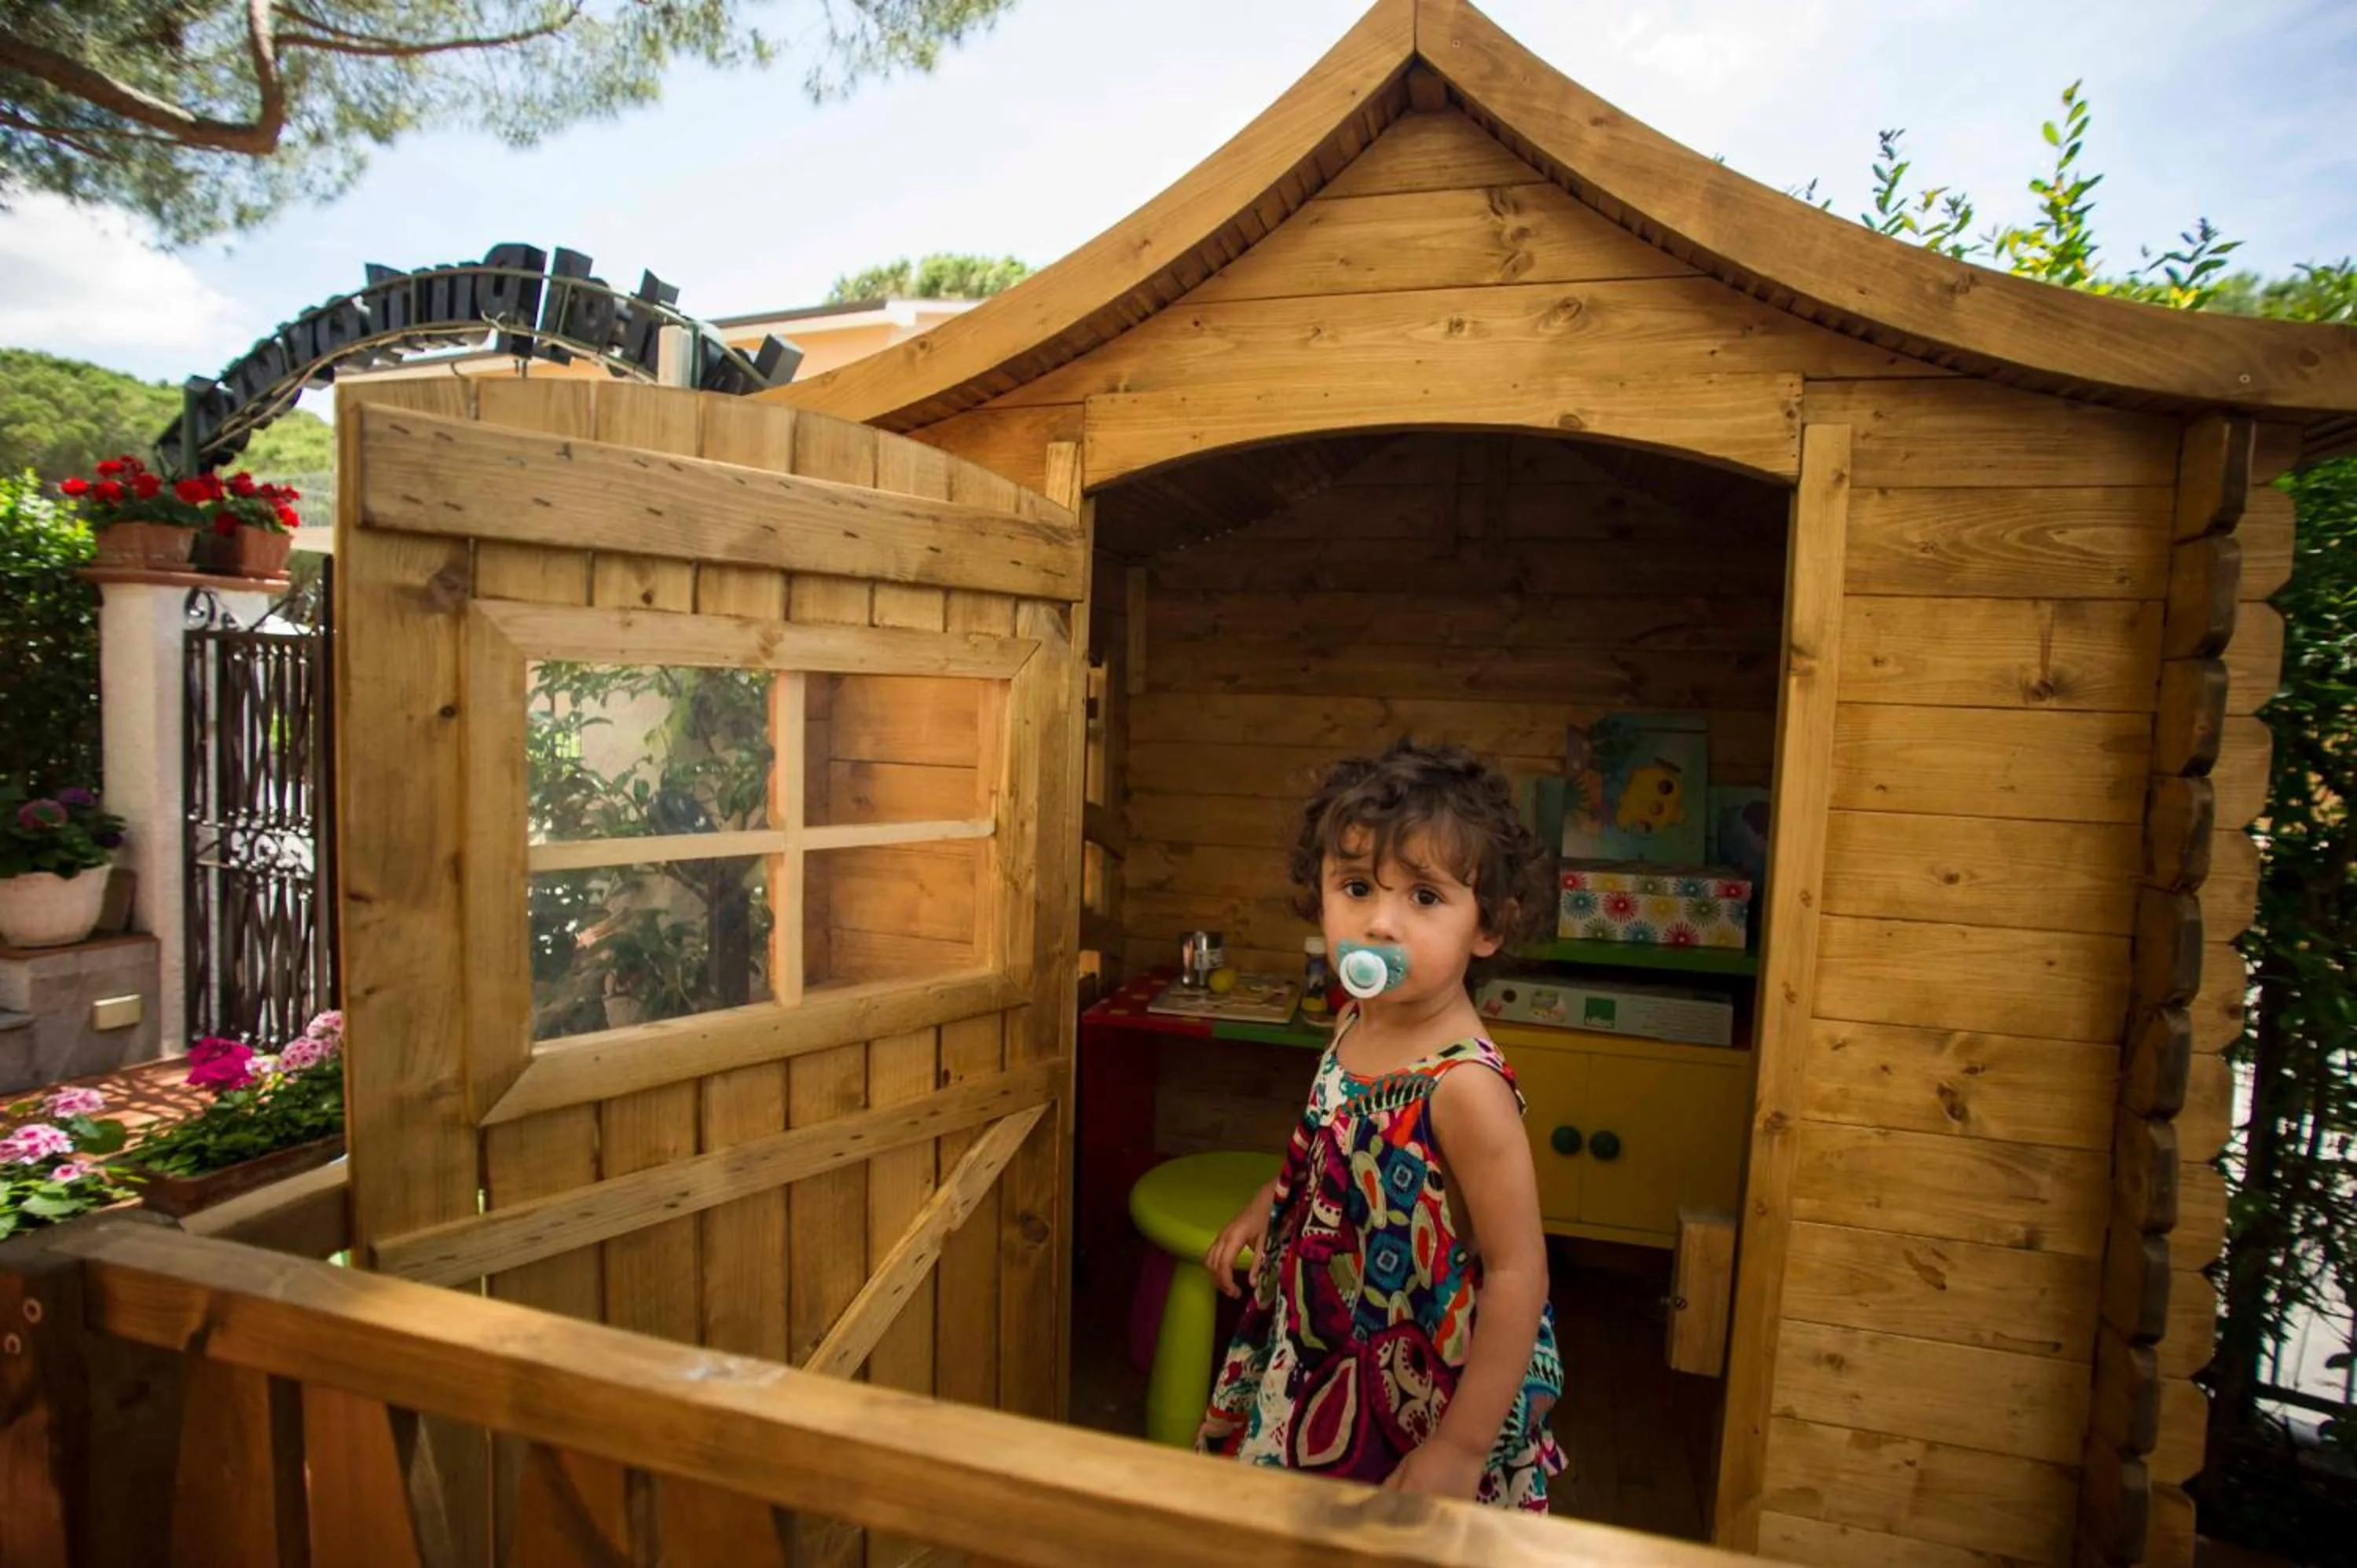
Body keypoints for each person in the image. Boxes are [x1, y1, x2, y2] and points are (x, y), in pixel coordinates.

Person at [1197, 738, 1567, 1510]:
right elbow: (1330, 1142)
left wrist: (1460, 1447)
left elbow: (1516, 1271)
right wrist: (1269, 1201)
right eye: (1358, 886)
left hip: (1425, 1393)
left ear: (1488, 925)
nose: (1381, 923)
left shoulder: (1463, 1087)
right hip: (1322, 1350)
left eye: (1425, 897)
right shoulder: (1355, 1021)